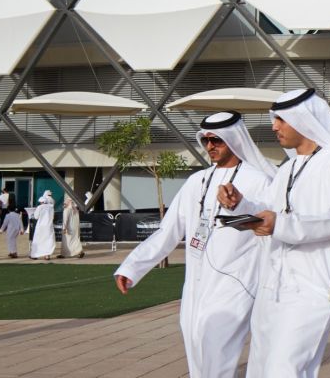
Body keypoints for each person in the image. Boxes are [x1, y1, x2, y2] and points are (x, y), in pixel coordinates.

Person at [217, 88, 330, 378]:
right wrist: (240, 203)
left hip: (311, 286)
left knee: (284, 371)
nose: (274, 127)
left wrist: (281, 225)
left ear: (304, 119)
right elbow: (271, 210)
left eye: (281, 120)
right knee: (261, 369)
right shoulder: (288, 169)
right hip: (272, 285)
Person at [114, 111, 275, 378]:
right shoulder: (196, 181)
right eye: (206, 140)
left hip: (236, 282)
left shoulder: (258, 180)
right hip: (196, 284)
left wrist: (242, 205)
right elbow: (169, 231)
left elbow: (268, 221)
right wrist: (132, 268)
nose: (210, 146)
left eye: (217, 140)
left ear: (233, 139)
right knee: (197, 349)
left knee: (217, 353)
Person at [30, 191, 55, 260]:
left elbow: (36, 216)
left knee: (38, 240)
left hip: (40, 226)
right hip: (49, 226)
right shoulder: (51, 208)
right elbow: (53, 217)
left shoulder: (40, 207)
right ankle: (47, 255)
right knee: (48, 241)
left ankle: (35, 255)